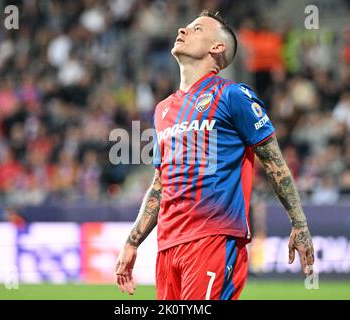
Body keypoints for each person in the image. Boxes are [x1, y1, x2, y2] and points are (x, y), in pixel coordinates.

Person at [114, 10, 315, 300]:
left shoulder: (232, 96)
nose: (183, 29)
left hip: (213, 239)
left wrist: (300, 224)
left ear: (216, 47)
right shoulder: (163, 110)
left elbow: (275, 163)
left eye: (196, 29)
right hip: (168, 246)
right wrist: (132, 242)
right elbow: (160, 183)